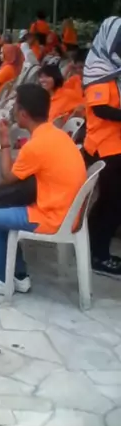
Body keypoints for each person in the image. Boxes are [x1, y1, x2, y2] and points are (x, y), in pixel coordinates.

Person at [0, 83, 87, 295]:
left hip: (52, 216)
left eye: (15, 107)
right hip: (67, 210)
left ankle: (0, 279)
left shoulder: (36, 145)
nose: (13, 111)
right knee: (2, 208)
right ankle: (19, 276)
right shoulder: (57, 134)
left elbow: (7, 177)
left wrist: (5, 142)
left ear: (23, 114)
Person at [82, 16, 121, 276]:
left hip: (115, 146)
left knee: (111, 202)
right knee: (112, 203)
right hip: (104, 148)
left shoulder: (113, 71)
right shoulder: (99, 71)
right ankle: (99, 255)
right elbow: (101, 109)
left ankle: (96, 250)